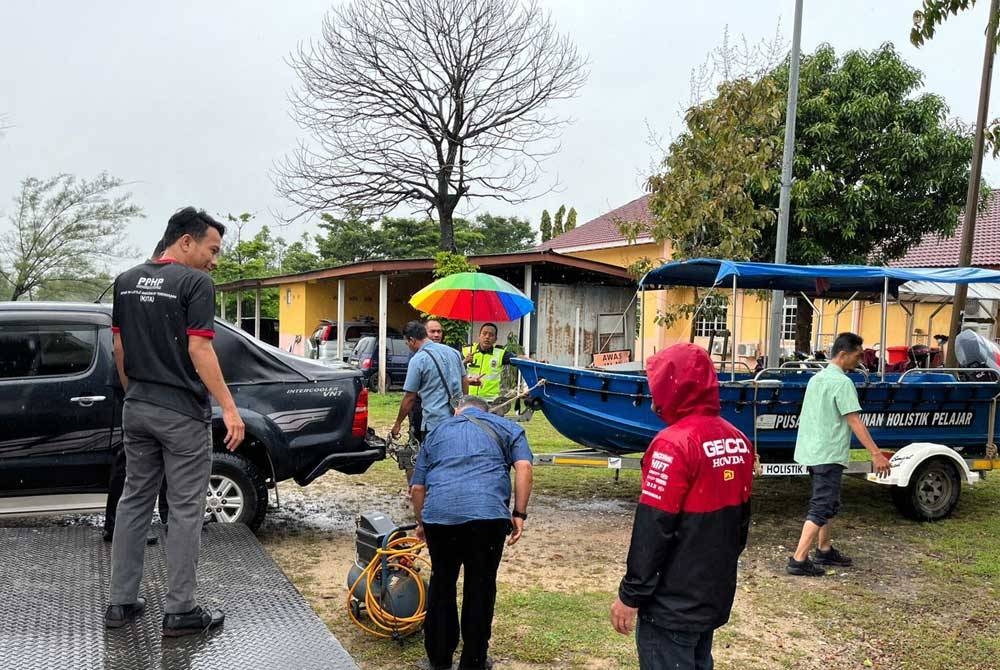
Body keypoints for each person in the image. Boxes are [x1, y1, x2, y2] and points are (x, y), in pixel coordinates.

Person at [105, 207, 245, 637]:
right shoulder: (195, 283)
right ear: (186, 241)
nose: (215, 261)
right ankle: (180, 610)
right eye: (213, 249)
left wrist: (136, 395)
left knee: (133, 502)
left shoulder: (126, 281)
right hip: (181, 414)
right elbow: (201, 350)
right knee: (185, 510)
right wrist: (230, 407)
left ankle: (120, 604)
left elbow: (119, 350)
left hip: (138, 407)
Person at [610, 344, 755, 670]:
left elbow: (653, 528)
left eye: (656, 386)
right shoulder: (739, 441)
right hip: (710, 595)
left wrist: (630, 595)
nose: (651, 397)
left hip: (671, 604)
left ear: (673, 385)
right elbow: (741, 526)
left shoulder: (673, 444)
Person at [410, 395, 533, 670]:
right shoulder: (507, 427)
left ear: (457, 410)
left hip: (440, 518)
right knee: (481, 586)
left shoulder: (438, 431)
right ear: (485, 411)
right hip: (488, 519)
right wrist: (519, 513)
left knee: (442, 584)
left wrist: (422, 524)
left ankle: (439, 660)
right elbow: (524, 467)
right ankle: (474, 661)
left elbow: (417, 489)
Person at [787, 332, 892, 577]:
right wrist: (876, 454)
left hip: (812, 450)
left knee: (829, 503)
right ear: (843, 354)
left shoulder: (817, 379)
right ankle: (798, 559)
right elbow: (854, 420)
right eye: (857, 356)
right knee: (822, 505)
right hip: (828, 452)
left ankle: (824, 549)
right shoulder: (842, 382)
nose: (859, 361)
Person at [104, 238, 169, 544]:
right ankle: (120, 525)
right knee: (131, 462)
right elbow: (120, 347)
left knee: (136, 462)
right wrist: (133, 390)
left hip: (132, 386)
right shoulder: (142, 287)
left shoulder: (127, 283)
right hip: (135, 386)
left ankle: (127, 524)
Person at [391, 321, 467, 442]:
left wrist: (398, 423)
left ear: (412, 340)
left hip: (435, 423)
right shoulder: (454, 353)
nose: (408, 346)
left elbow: (410, 397)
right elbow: (464, 380)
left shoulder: (418, 359)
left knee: (434, 458)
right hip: (457, 418)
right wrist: (463, 404)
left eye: (407, 343)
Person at [408, 319, 446, 439]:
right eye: (432, 331)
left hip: (445, 413)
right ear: (425, 334)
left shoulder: (451, 352)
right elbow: (411, 392)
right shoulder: (417, 355)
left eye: (439, 332)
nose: (436, 335)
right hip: (422, 408)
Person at [463, 323, 514, 401]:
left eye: (491, 335)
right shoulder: (467, 350)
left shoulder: (500, 353)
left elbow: (518, 359)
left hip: (490, 401)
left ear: (495, 339)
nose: (487, 337)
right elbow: (454, 369)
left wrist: (531, 360)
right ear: (479, 336)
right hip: (468, 399)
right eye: (484, 333)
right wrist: (464, 362)